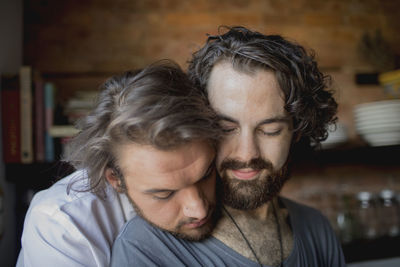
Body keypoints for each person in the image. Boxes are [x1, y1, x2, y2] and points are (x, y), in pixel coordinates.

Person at [111, 26, 346, 266]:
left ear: (297, 132)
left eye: (270, 131)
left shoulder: (316, 228)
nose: (247, 153)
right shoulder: (146, 248)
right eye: (226, 128)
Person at [16, 61, 221, 267]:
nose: (199, 209)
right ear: (115, 179)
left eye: (206, 175)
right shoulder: (61, 227)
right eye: (164, 194)